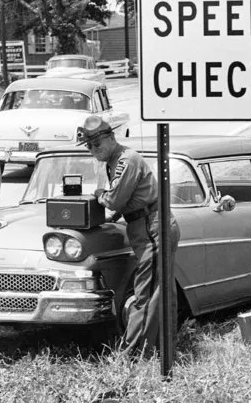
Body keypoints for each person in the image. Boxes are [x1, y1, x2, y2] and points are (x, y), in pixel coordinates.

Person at [77, 115, 180, 357]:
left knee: (147, 292)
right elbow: (124, 202)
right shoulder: (114, 160)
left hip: (152, 226)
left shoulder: (126, 160)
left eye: (97, 144)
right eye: (89, 146)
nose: (93, 150)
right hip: (145, 225)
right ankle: (164, 350)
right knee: (162, 291)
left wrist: (100, 192)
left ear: (112, 138)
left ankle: (132, 355)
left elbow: (114, 199)